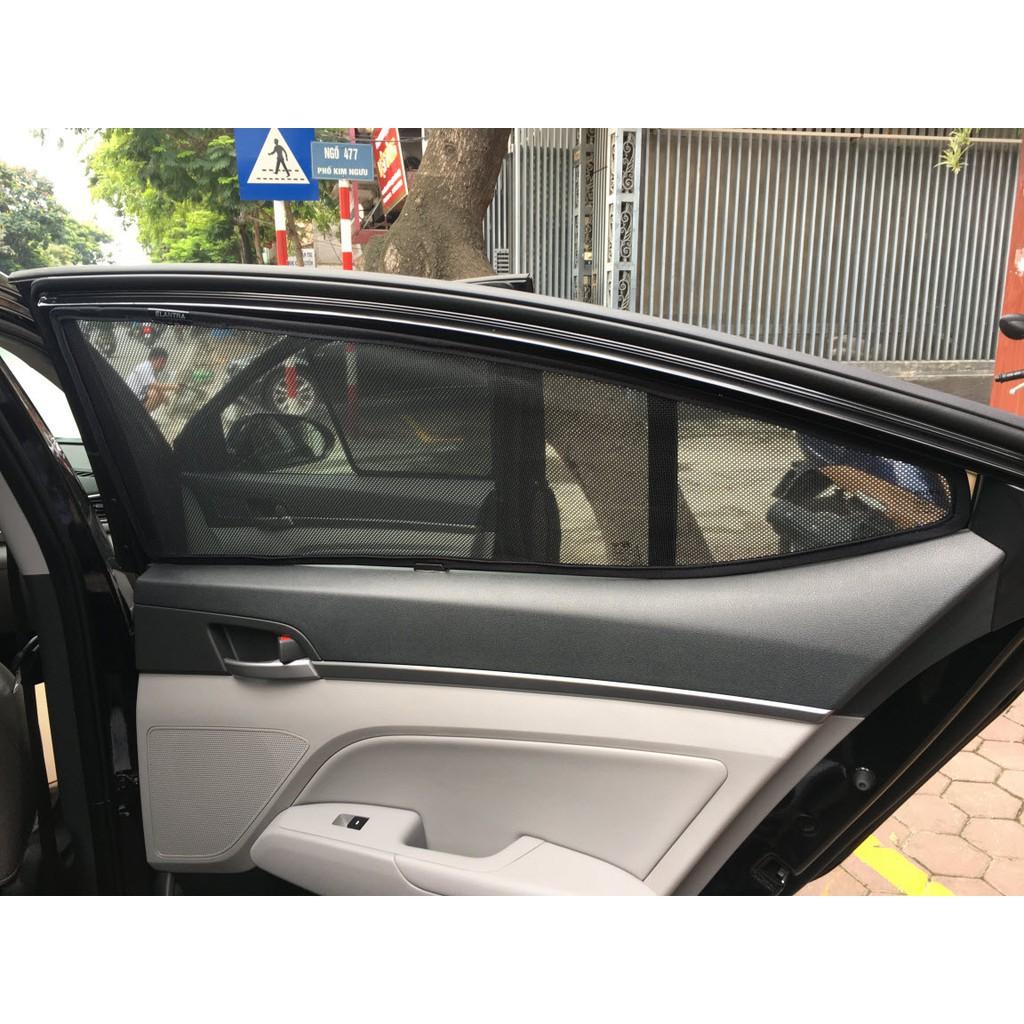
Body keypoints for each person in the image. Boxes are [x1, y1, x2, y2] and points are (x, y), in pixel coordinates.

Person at [125, 347, 177, 413]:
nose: (163, 365)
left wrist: (164, 398)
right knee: (156, 396)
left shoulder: (150, 368)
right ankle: (139, 414)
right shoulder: (145, 367)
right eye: (161, 362)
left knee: (157, 393)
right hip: (130, 399)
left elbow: (156, 388)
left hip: (137, 396)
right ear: (153, 359)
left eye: (164, 362)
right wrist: (175, 387)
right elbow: (156, 386)